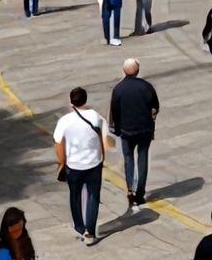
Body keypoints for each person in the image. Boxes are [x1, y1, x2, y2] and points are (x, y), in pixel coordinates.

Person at [51, 86, 108, 245]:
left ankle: (79, 226)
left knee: (75, 196)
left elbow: (58, 142)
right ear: (85, 100)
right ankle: (90, 232)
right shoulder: (96, 116)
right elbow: (103, 138)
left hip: (73, 165)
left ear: (71, 103)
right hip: (93, 163)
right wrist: (102, 158)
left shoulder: (65, 121)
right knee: (93, 196)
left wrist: (62, 162)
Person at [109, 58, 160, 209]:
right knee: (142, 157)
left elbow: (115, 112)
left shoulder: (118, 89)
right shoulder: (146, 87)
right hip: (144, 129)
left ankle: (130, 189)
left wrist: (117, 130)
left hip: (126, 131)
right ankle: (140, 193)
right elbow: (155, 106)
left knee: (128, 159)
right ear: (137, 70)